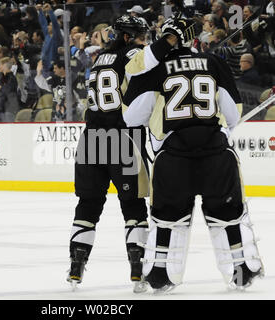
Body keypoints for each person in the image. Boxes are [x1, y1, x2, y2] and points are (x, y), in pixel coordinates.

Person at [123, 16, 264, 293]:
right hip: (215, 153)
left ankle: (160, 275)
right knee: (228, 216)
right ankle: (241, 271)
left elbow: (131, 117)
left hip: (172, 156)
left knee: (167, 219)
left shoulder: (155, 67)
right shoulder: (214, 63)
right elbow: (234, 114)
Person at [66, 14, 177, 293]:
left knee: (87, 206)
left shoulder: (100, 58)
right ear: (128, 37)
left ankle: (76, 267)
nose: (144, 42)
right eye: (140, 37)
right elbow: (151, 64)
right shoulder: (133, 53)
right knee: (133, 206)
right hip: (122, 137)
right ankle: (138, 271)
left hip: (91, 139)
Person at [0, 57, 20, 122]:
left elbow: (4, 91)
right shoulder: (1, 78)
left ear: (5, 66)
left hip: (8, 110)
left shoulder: (11, 79)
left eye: (0, 65)